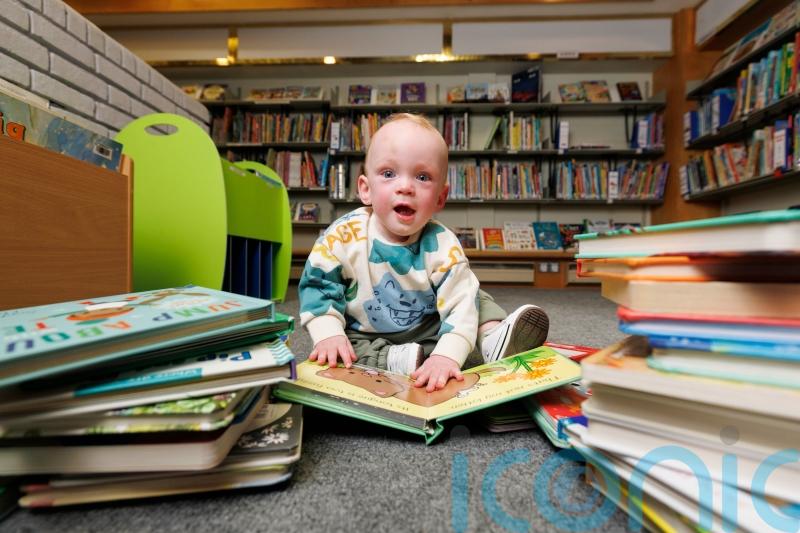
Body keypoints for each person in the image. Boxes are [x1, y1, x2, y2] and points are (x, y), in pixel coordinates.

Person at [298, 113, 548, 392]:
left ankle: (491, 336)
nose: (405, 187)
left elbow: (460, 307)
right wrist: (328, 333)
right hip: (364, 331)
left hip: (428, 329)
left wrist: (446, 354)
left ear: (440, 198)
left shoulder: (442, 244)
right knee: (341, 353)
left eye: (422, 177)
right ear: (366, 190)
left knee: (471, 293)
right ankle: (393, 360)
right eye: (389, 174)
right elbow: (319, 286)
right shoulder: (343, 236)